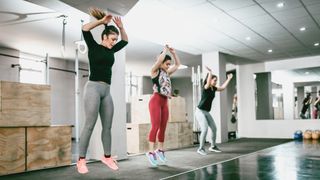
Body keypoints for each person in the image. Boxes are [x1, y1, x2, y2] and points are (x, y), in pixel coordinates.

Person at [76, 7, 128, 174]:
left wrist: (120, 28)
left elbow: (125, 41)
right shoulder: (93, 46)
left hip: (106, 91)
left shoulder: (111, 49)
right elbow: (84, 29)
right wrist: (101, 22)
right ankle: (81, 160)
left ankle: (107, 157)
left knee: (107, 126)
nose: (114, 42)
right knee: (89, 125)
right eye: (112, 39)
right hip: (93, 88)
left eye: (115, 40)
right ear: (104, 37)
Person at [146, 45, 181, 166]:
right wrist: (165, 51)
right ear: (161, 63)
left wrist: (174, 53)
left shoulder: (167, 72)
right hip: (155, 100)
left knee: (163, 127)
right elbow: (159, 60)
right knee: (155, 126)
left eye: (169, 64)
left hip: (164, 101)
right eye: (166, 64)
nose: (168, 66)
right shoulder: (154, 71)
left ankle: (160, 149)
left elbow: (177, 65)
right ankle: (150, 152)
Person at [195, 66, 233, 155]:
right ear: (210, 80)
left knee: (214, 128)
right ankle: (200, 148)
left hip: (206, 112)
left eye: (216, 80)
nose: (216, 82)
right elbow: (208, 82)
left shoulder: (214, 88)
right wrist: (210, 72)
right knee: (204, 129)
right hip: (200, 111)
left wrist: (229, 79)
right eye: (214, 80)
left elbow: (223, 88)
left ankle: (212, 146)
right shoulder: (206, 87)